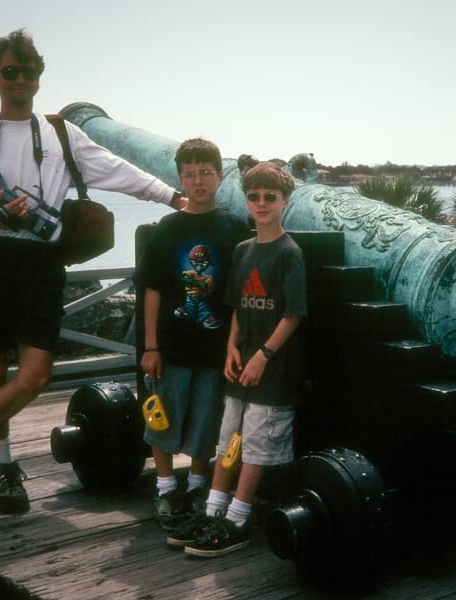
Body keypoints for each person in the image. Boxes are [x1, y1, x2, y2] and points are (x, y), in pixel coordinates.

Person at [0, 29, 186, 515]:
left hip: (41, 261)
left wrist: (171, 196)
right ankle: (4, 472)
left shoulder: (63, 134)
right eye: (8, 71)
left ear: (38, 79)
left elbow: (117, 169)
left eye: (27, 71)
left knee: (36, 374)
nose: (18, 78)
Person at [167, 161, 307, 557]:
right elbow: (234, 309)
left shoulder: (289, 253)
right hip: (240, 363)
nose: (261, 204)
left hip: (272, 368)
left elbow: (293, 313)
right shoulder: (244, 250)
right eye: (254, 197)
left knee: (258, 445)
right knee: (231, 440)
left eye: (270, 198)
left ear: (284, 201)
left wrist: (263, 355)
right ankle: (214, 510)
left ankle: (238, 520)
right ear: (246, 201)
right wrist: (231, 348)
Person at [135, 138, 250, 530]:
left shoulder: (234, 228)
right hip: (172, 345)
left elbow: (238, 296)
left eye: (205, 173)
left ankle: (199, 485)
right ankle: (166, 488)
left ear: (219, 177)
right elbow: (151, 289)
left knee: (207, 418)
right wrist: (151, 346)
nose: (198, 180)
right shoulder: (168, 228)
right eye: (189, 174)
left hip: (215, 349)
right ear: (180, 179)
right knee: (162, 418)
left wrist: (235, 346)